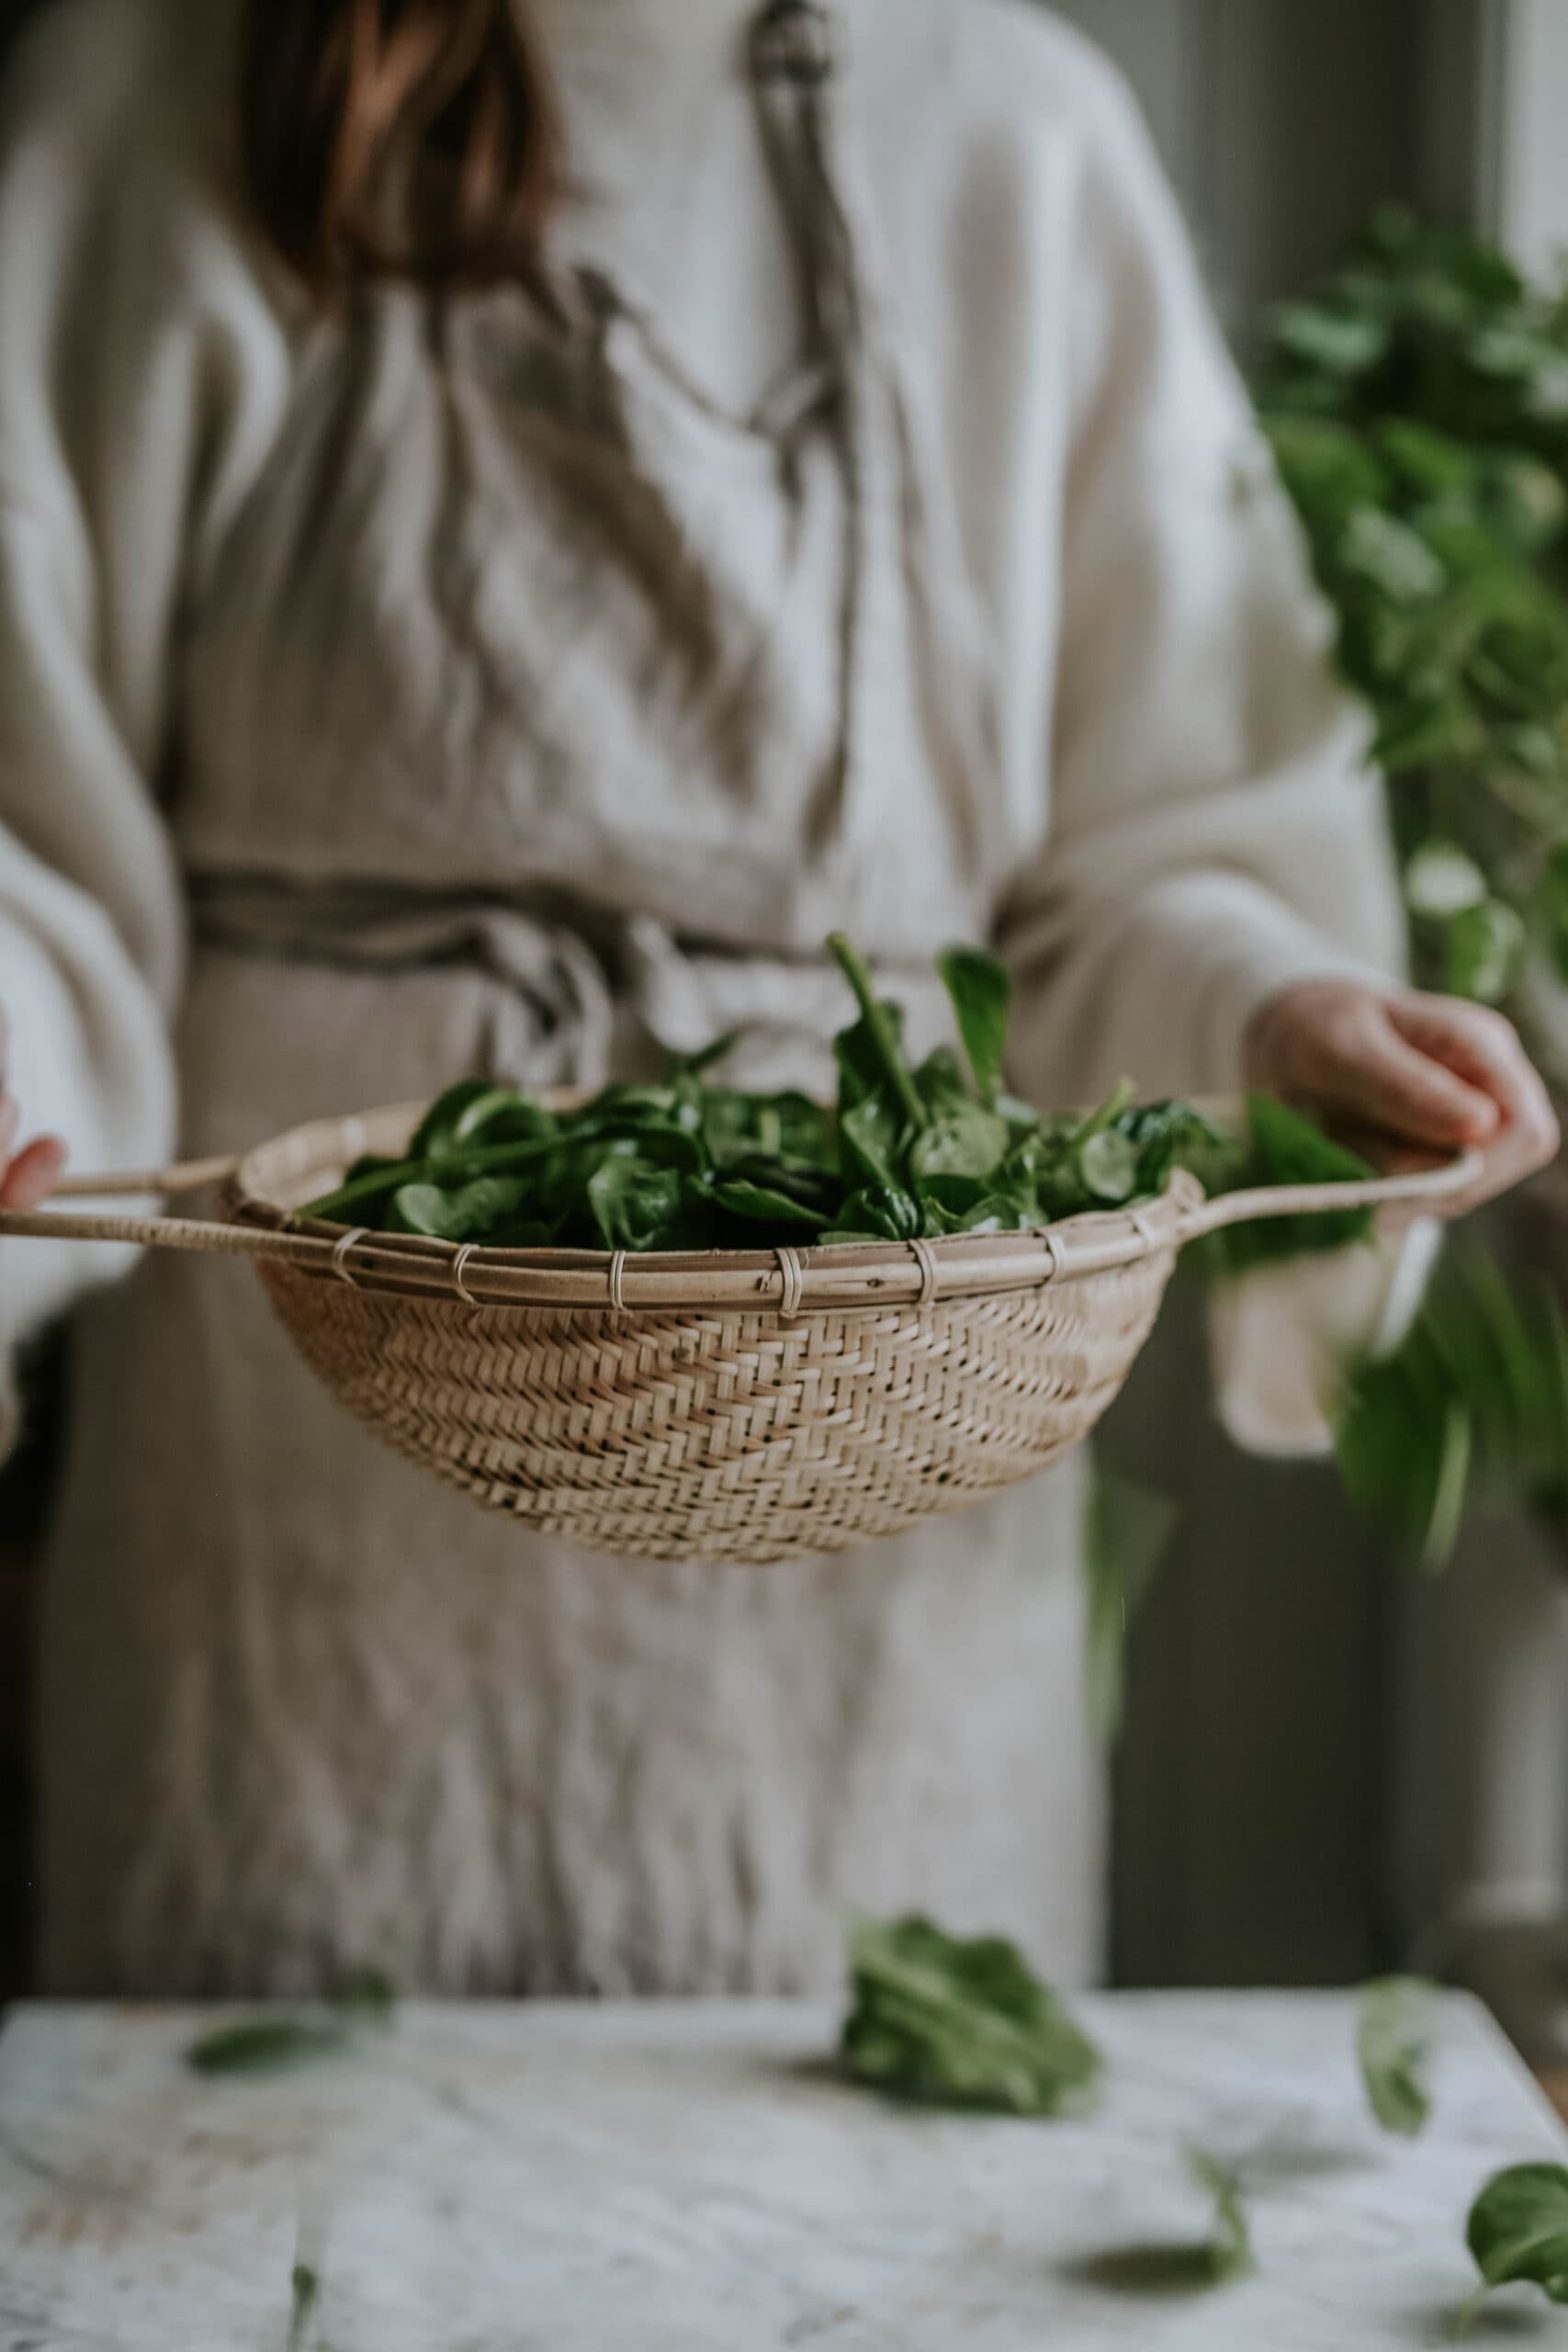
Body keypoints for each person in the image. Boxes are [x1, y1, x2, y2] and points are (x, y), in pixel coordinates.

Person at [0, 0, 1554, 1998]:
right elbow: (37, 849)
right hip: (293, 1608)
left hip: (866, 1642)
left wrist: (1270, 1027)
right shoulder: (152, 83)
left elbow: (1130, 873)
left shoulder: (1014, 135)